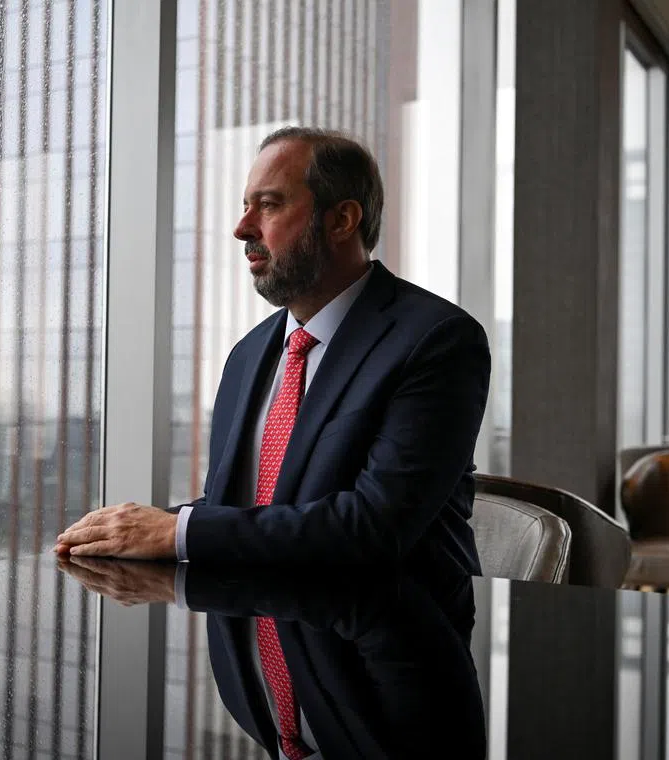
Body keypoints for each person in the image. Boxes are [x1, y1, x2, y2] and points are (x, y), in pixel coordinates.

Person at [53, 126, 490, 578]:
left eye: (268, 205)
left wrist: (175, 532)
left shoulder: (437, 340)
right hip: (249, 611)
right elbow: (237, 508)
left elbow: (375, 526)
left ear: (342, 220)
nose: (242, 228)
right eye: (246, 206)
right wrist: (131, 532)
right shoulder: (248, 354)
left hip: (390, 613)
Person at [60, 556, 487, 759]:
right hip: (277, 714)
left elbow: (367, 521)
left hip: (396, 682)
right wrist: (146, 531)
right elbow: (240, 495)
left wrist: (175, 531)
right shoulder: (250, 386)